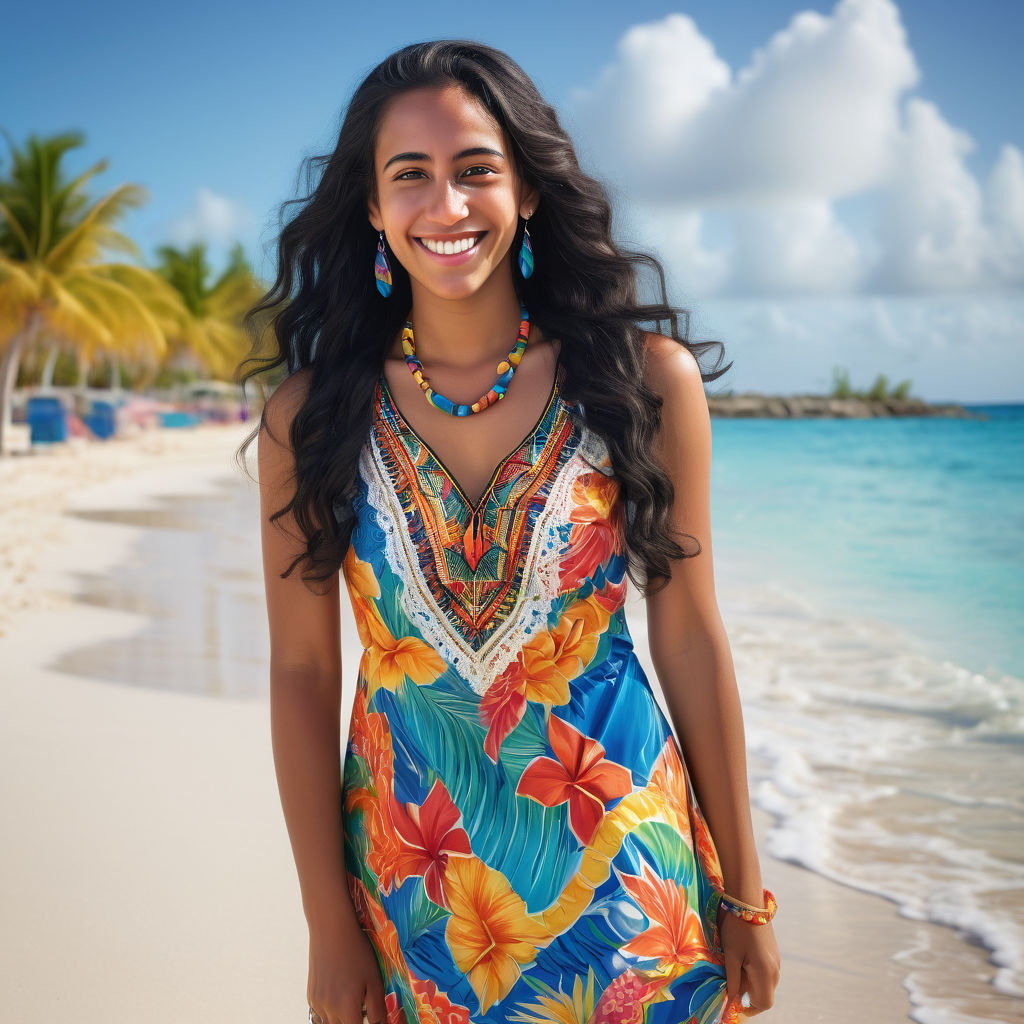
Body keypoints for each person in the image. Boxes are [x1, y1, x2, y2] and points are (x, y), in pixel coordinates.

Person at [239, 38, 781, 1024]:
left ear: (526, 188)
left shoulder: (644, 383)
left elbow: (692, 634)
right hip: (415, 894)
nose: (446, 206)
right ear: (370, 206)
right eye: (410, 176)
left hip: (628, 894)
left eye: (476, 170)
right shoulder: (310, 418)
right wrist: (327, 919)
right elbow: (303, 673)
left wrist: (744, 888)